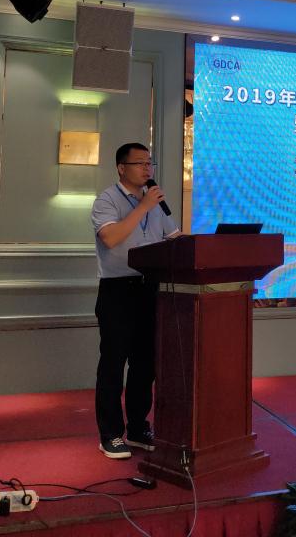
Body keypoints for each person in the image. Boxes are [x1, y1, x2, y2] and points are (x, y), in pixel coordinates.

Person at [91, 142, 181, 459]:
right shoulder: (107, 200)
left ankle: (139, 428)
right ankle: (111, 434)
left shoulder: (155, 204)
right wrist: (143, 206)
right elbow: (111, 237)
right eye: (140, 163)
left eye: (149, 163)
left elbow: (174, 240)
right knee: (113, 364)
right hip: (118, 290)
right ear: (121, 168)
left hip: (150, 289)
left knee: (145, 364)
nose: (147, 169)